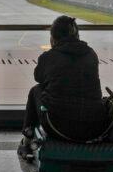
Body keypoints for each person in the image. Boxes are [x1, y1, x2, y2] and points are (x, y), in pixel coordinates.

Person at [18, 15, 107, 160]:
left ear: (53, 38)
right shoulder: (91, 54)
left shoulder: (49, 57)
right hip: (94, 127)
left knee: (36, 90)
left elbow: (39, 77)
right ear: (77, 35)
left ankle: (26, 141)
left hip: (59, 126)